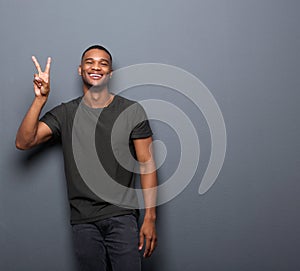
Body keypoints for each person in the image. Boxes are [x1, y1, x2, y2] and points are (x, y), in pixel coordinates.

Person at [15, 45, 158, 271]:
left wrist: (150, 217)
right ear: (80, 69)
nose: (96, 67)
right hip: (83, 220)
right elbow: (24, 142)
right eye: (90, 62)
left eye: (103, 63)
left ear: (110, 73)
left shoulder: (132, 111)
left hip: (122, 216)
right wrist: (40, 100)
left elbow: (147, 164)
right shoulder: (65, 113)